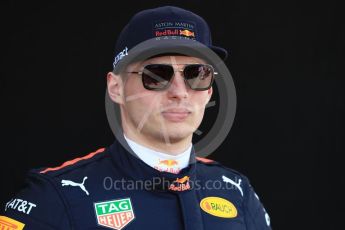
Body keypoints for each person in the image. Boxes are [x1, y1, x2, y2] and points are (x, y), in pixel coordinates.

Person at [0, 6, 272, 230]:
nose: (179, 92)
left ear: (209, 89)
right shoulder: (54, 198)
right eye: (156, 75)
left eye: (196, 74)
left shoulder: (237, 191)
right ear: (116, 88)